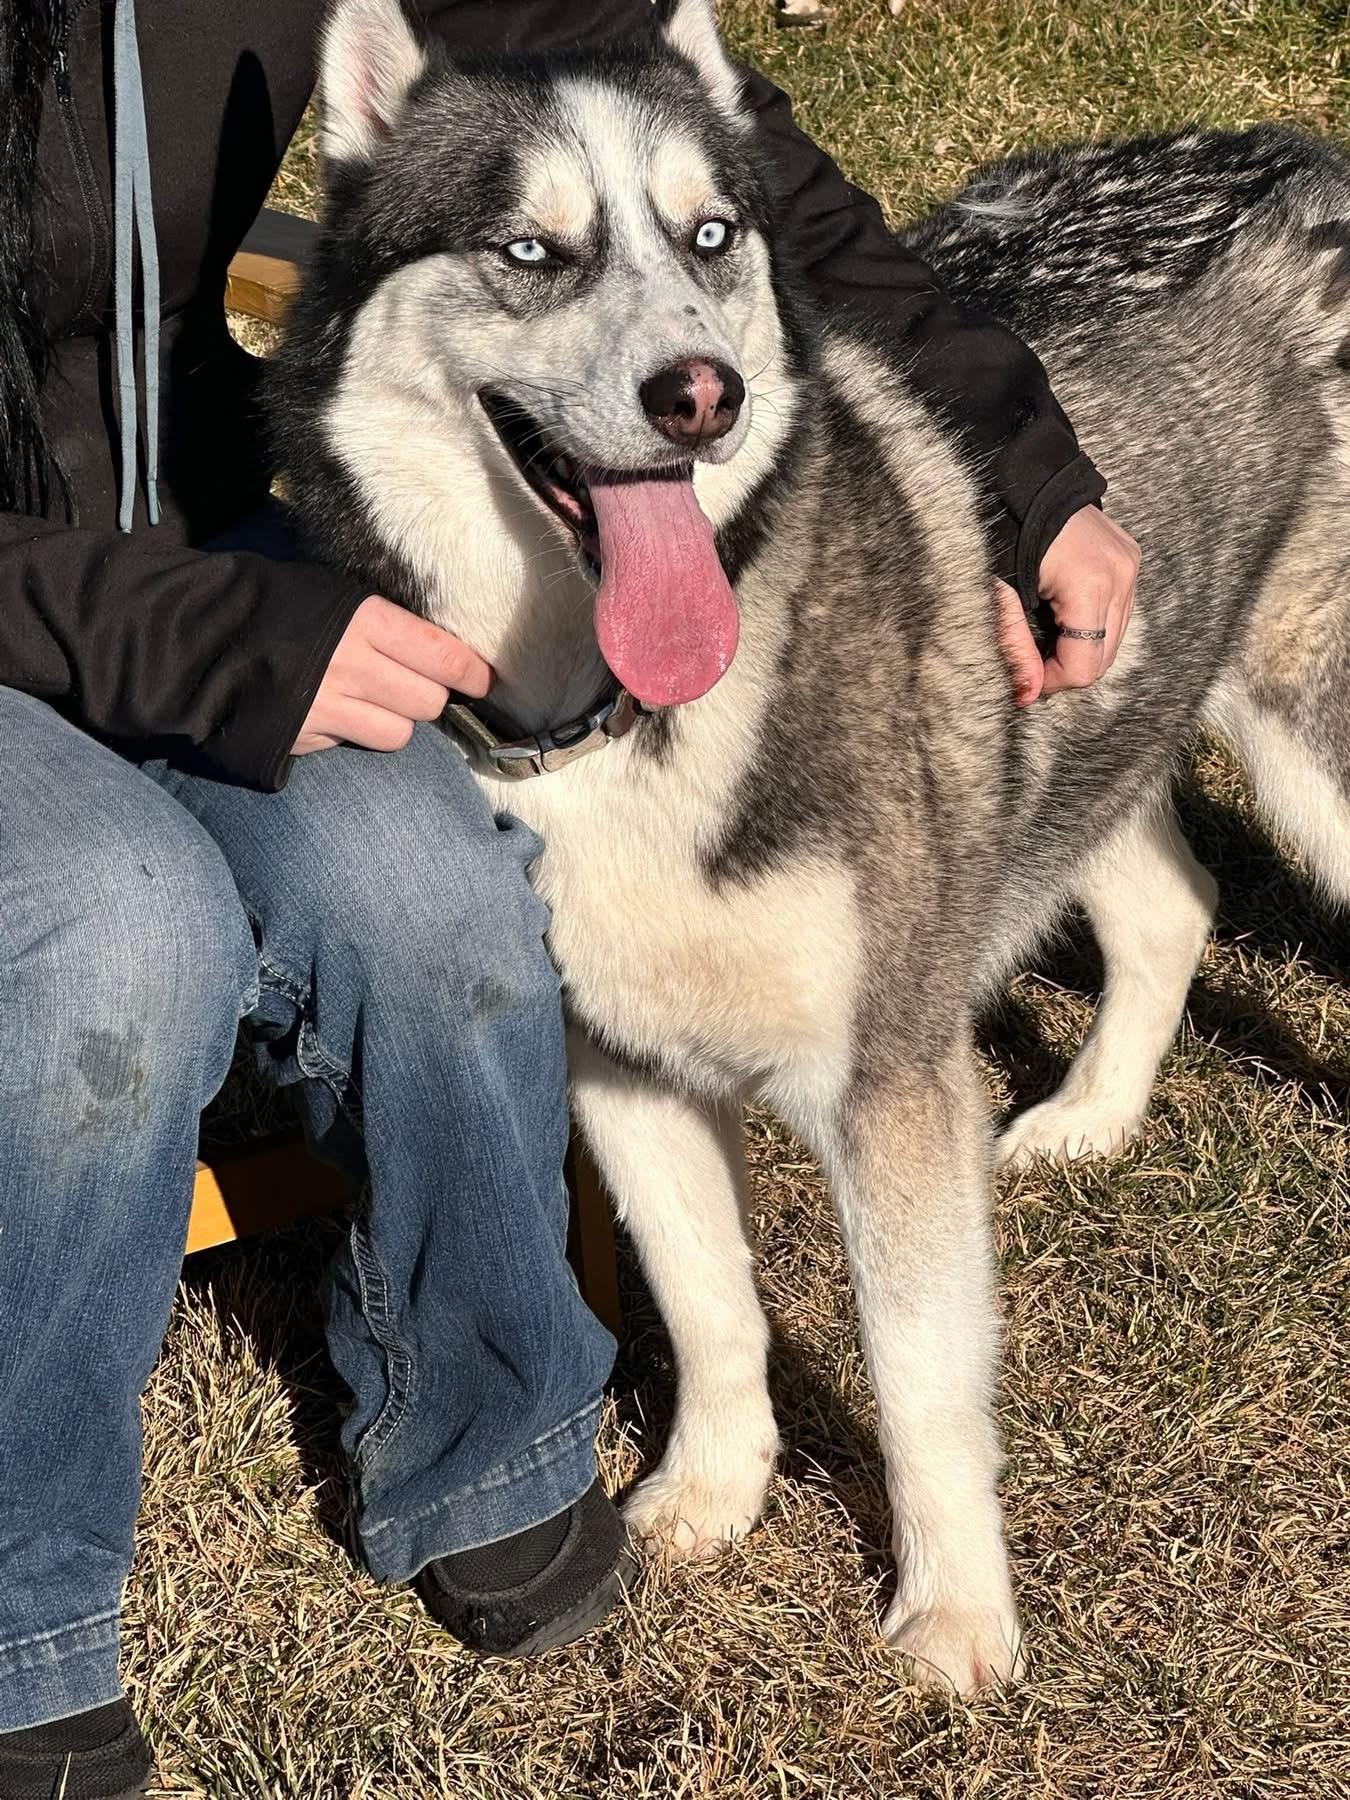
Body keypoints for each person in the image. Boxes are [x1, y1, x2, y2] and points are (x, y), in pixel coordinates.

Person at [0, 1, 1140, 1792]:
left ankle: (490, 1439)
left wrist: (1022, 464)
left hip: (193, 534)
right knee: (120, 930)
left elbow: (698, 136)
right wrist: (179, 631)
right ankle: (24, 1618)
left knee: (440, 894)